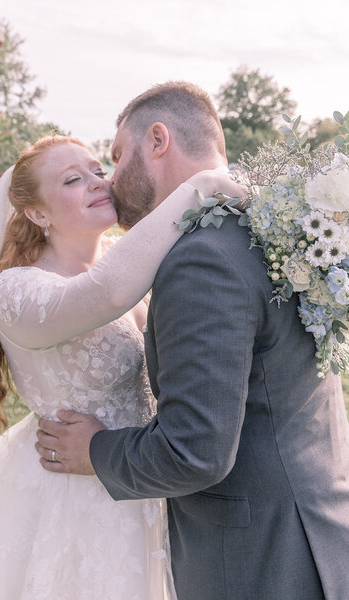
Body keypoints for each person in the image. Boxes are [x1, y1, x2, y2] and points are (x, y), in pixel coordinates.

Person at [37, 81, 349, 600]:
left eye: (116, 157)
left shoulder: (203, 255)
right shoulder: (267, 224)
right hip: (317, 526)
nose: (110, 179)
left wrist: (93, 450)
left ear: (158, 140)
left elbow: (195, 451)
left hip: (262, 562)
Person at [0, 133, 240, 599]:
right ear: (37, 213)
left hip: (143, 475)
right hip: (69, 493)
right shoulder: (16, 291)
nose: (96, 183)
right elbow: (104, 294)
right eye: (71, 180)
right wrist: (200, 186)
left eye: (96, 171)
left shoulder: (127, 262)